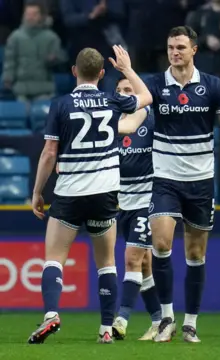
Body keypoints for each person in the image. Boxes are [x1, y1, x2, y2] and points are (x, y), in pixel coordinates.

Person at [29, 46, 152, 344]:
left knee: (54, 259)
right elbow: (147, 99)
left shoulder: (60, 105)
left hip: (70, 191)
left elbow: (48, 153)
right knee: (106, 262)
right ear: (101, 73)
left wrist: (37, 191)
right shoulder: (112, 101)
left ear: (74, 71)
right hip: (105, 194)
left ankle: (51, 315)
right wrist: (127, 69)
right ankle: (106, 328)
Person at [144, 26, 220, 343]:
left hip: (201, 182)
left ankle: (190, 322)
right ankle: (167, 318)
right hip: (165, 179)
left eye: (180, 46)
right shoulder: (155, 85)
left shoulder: (213, 86)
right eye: (170, 47)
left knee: (195, 253)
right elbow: (135, 115)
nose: (174, 52)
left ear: (194, 49)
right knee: (161, 243)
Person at [111, 76, 163, 341]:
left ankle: (120, 320)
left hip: (147, 199)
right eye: (118, 90)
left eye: (128, 90)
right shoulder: (112, 125)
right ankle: (160, 321)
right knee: (144, 266)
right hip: (122, 202)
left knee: (131, 258)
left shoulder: (150, 120)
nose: (122, 95)